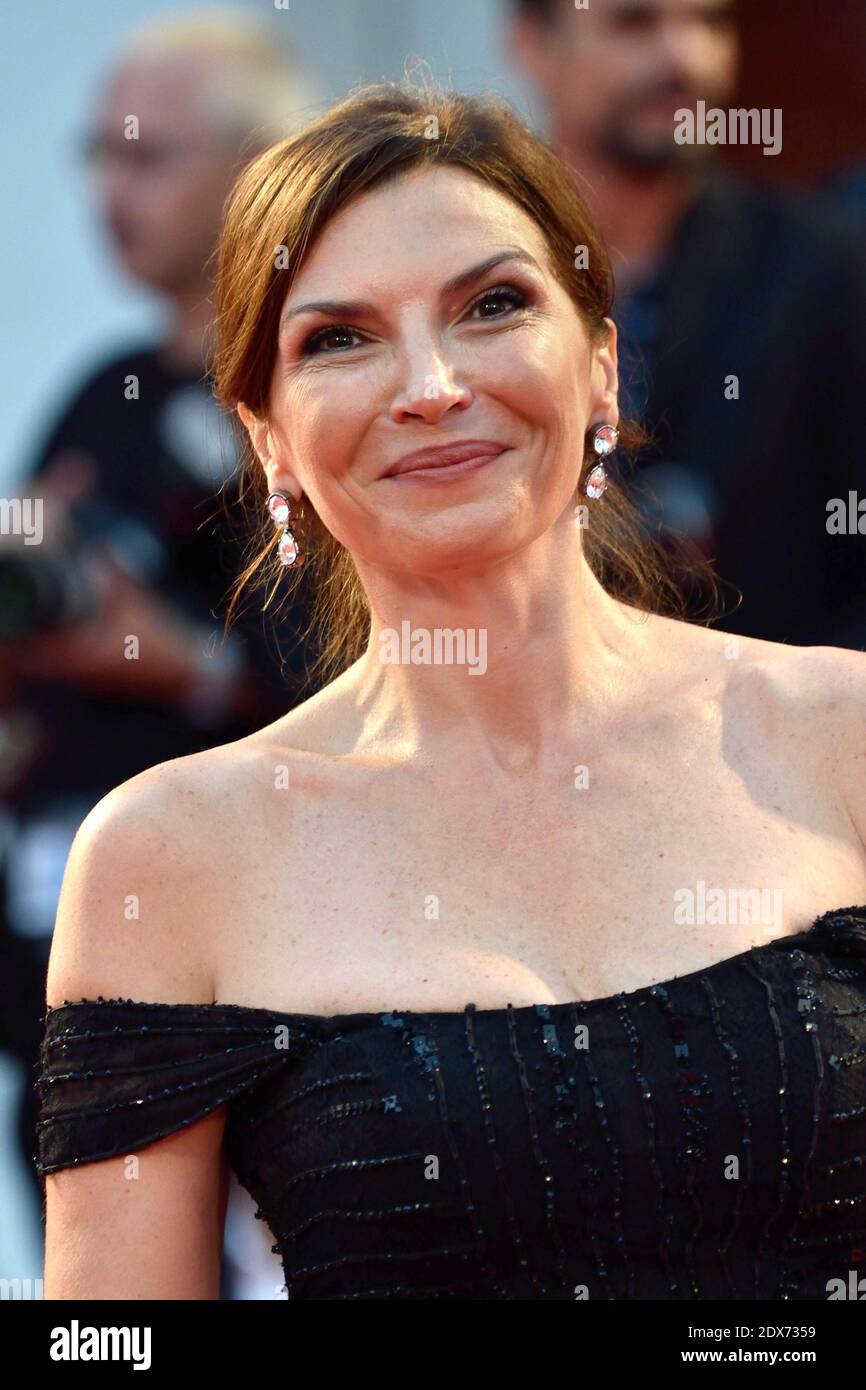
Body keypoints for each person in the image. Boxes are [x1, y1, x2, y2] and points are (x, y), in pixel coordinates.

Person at [35, 79, 866, 1302]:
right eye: (338, 337)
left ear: (598, 367)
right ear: (269, 439)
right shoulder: (169, 857)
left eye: (490, 305)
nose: (427, 383)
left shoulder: (837, 735)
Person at [0, 11, 320, 1227]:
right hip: (62, 992)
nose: (109, 190)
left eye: (145, 155)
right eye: (96, 157)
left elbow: (361, 687)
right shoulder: (103, 390)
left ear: (255, 167)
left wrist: (168, 657)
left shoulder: (309, 396)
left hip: (242, 994)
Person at [503, 0, 866, 647]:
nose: (685, 58)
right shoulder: (469, 278)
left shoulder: (826, 270)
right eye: (634, 23)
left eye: (710, 22)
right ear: (534, 44)